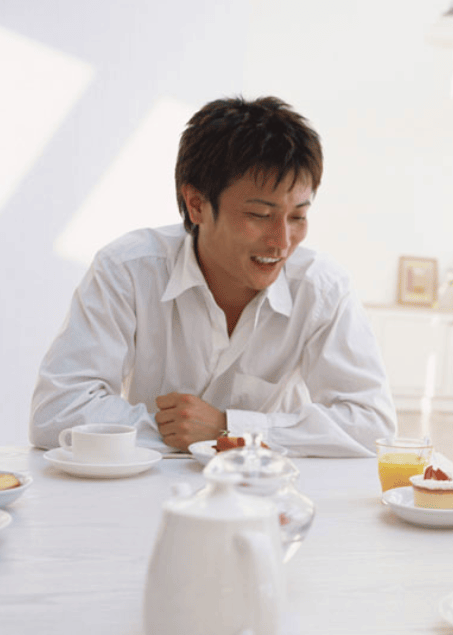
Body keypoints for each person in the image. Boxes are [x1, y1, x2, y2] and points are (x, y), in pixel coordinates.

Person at [29, 96, 397, 457]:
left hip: (269, 494)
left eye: (298, 217)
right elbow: (56, 412)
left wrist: (230, 429)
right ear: (197, 204)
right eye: (259, 214)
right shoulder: (128, 269)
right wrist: (179, 430)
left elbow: (372, 425)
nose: (282, 242)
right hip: (146, 492)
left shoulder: (322, 288)